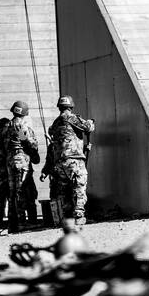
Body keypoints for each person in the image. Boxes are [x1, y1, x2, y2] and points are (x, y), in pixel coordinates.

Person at [47, 95, 96, 228]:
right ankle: (79, 217)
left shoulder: (56, 123)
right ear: (71, 107)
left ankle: (67, 218)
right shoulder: (71, 118)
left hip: (60, 162)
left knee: (64, 191)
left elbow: (51, 131)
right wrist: (91, 121)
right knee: (79, 187)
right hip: (73, 160)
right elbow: (88, 127)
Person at [0, 101, 40, 234]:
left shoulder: (6, 127)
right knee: (21, 191)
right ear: (24, 113)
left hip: (10, 161)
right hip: (20, 160)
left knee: (13, 192)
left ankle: (13, 224)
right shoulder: (20, 125)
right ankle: (22, 223)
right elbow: (27, 142)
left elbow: (1, 146)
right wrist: (34, 148)